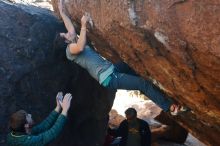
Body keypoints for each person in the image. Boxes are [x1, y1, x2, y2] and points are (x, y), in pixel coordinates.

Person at [55, 0, 187, 115]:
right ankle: (169, 107)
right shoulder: (69, 50)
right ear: (65, 42)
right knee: (142, 83)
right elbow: (80, 47)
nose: (68, 34)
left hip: (112, 69)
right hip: (109, 78)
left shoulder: (70, 41)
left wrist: (62, 12)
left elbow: (70, 29)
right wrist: (83, 25)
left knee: (133, 65)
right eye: (65, 35)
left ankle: (153, 92)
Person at [7, 92, 72, 146]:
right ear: (26, 125)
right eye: (27, 116)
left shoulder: (15, 134)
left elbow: (43, 126)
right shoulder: (27, 142)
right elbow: (52, 133)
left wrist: (58, 107)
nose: (30, 115)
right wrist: (65, 110)